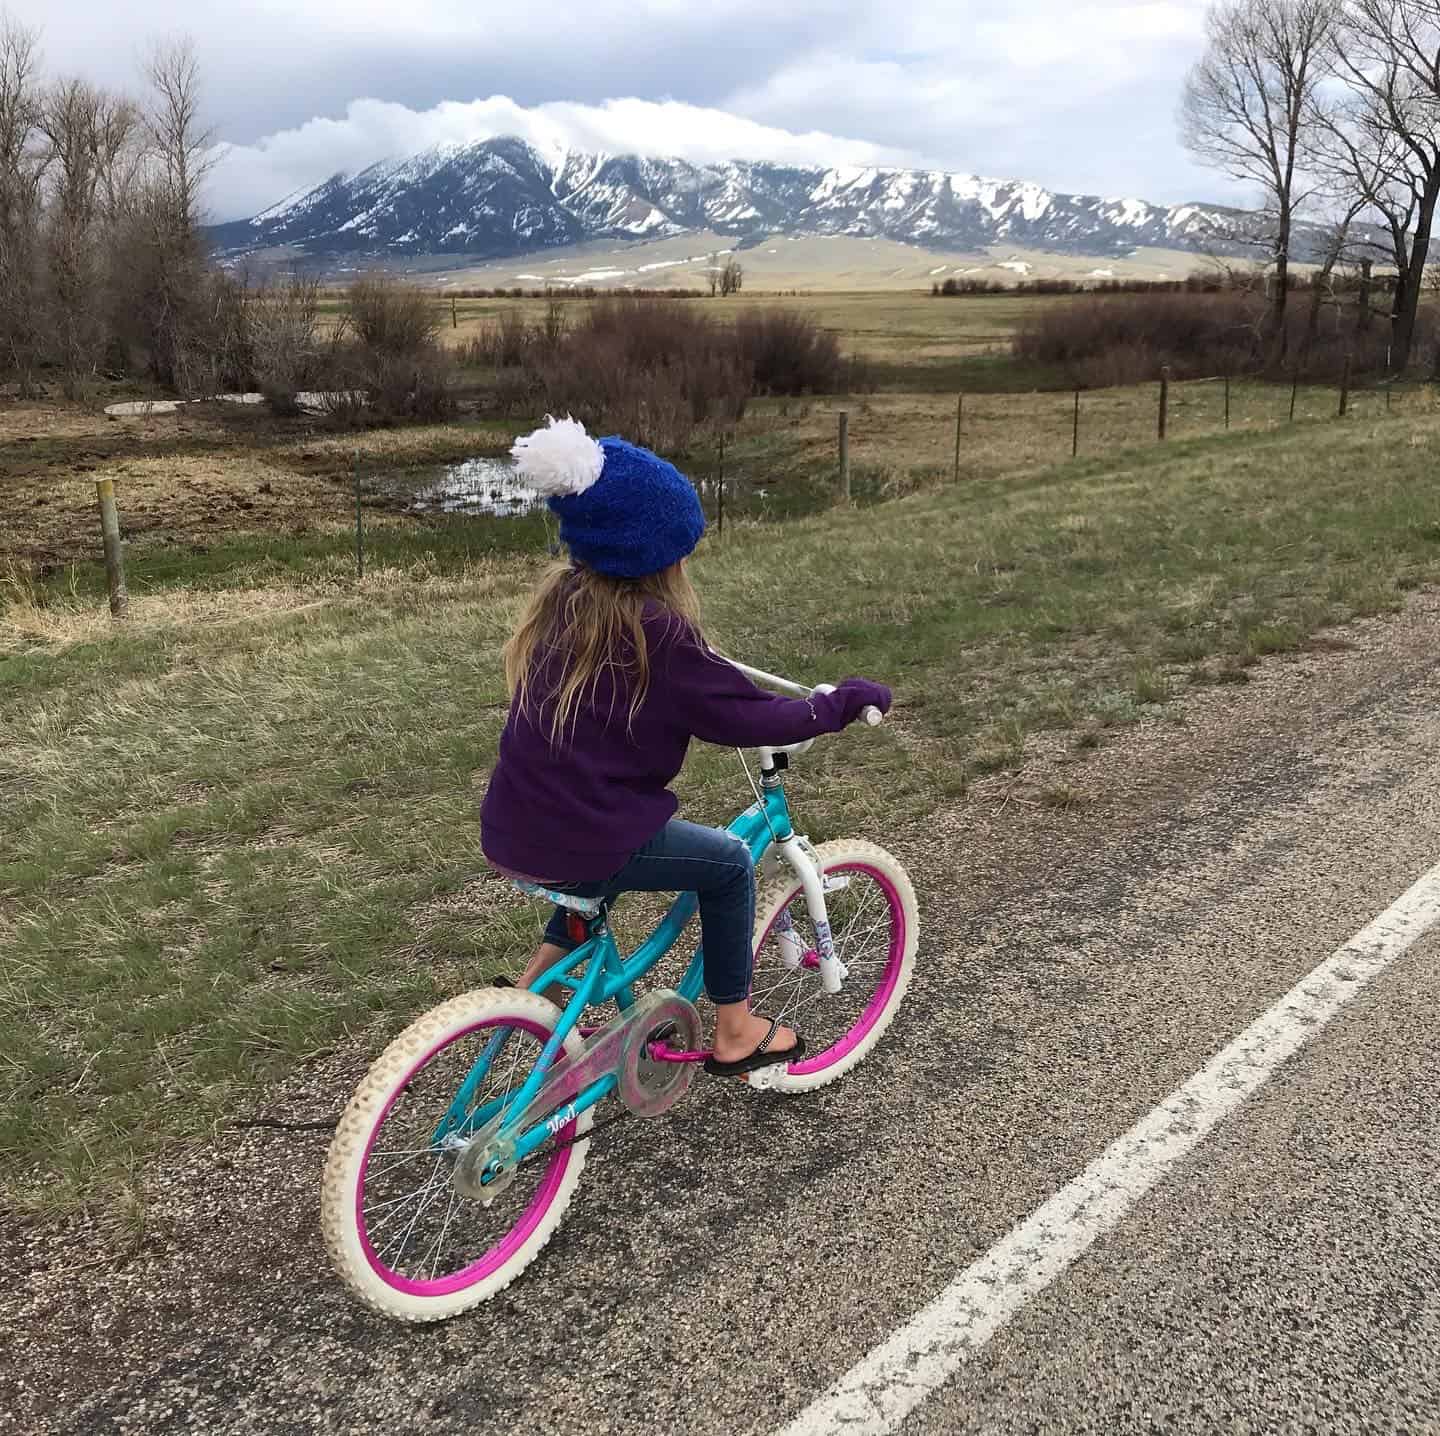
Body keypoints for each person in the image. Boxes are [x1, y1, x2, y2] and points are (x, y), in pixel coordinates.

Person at [479, 416, 891, 1076]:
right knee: (727, 864)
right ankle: (734, 1030)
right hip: (585, 832)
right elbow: (746, 717)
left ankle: (530, 1001)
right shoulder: (657, 636)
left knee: (586, 878)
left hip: (515, 825)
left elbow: (707, 679)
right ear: (659, 556)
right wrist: (834, 706)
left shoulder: (566, 602)